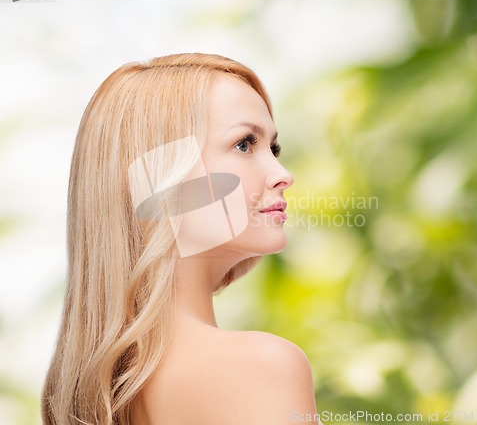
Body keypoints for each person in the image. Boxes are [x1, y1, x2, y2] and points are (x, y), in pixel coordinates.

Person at [41, 53, 322, 425]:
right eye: (244, 144)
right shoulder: (264, 367)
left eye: (273, 148)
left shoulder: (88, 396)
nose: (282, 174)